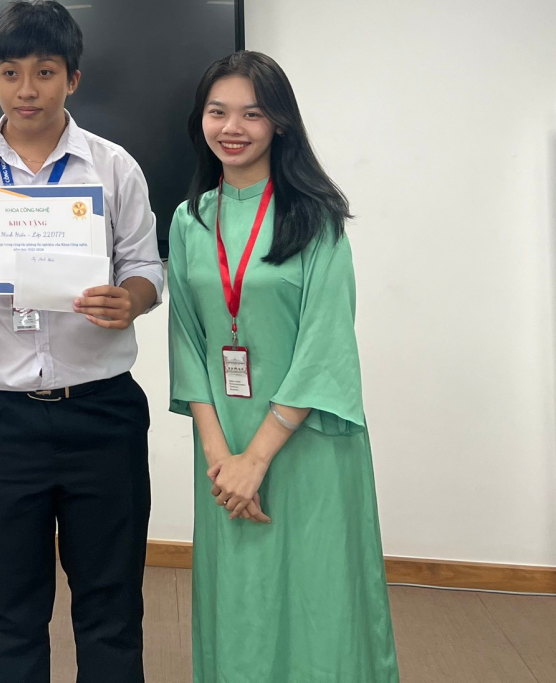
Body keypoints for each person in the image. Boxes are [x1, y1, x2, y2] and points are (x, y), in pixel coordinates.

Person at [0, 0, 164, 683]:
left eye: (44, 72)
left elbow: (146, 268)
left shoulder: (113, 167)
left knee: (110, 603)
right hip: (1, 415)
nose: (26, 89)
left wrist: (130, 300)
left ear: (73, 79)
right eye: (10, 73)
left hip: (101, 411)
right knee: (11, 605)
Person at [167, 51, 399, 683]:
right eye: (217, 112)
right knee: (240, 595)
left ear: (279, 123)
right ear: (201, 120)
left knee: (317, 595)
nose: (231, 128)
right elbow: (187, 340)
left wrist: (257, 459)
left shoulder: (315, 217)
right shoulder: (190, 220)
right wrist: (221, 456)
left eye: (252, 113)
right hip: (224, 447)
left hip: (306, 441)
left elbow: (326, 347)